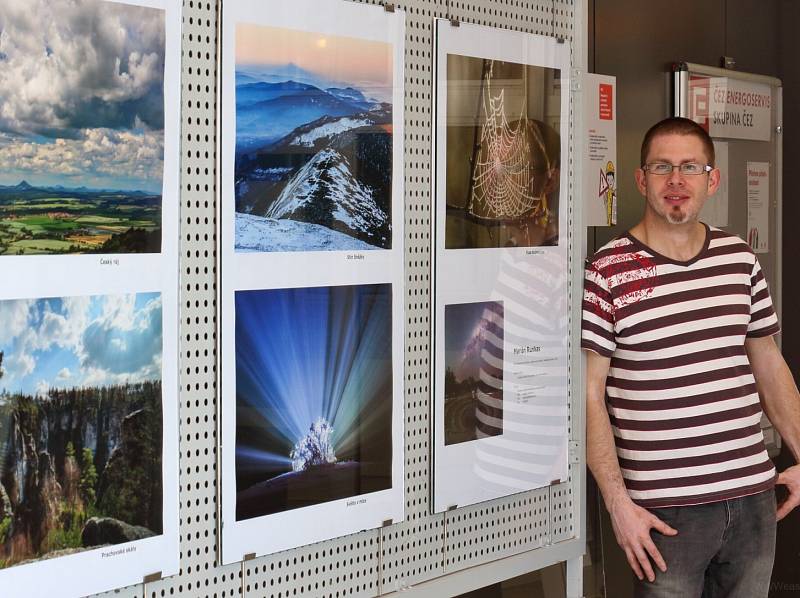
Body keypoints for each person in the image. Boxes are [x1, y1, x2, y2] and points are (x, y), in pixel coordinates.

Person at [581, 116, 800, 597]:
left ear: (712, 179)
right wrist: (618, 505)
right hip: (665, 514)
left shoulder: (738, 259)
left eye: (690, 167)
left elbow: (769, 365)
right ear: (641, 179)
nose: (676, 180)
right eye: (662, 167)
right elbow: (589, 395)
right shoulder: (608, 271)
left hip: (752, 499)